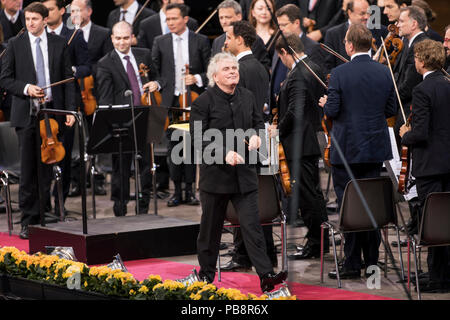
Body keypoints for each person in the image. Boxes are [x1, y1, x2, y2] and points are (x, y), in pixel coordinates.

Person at [189, 52, 287, 292]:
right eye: (227, 69)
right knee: (210, 229)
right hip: (216, 177)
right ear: (215, 76)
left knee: (252, 227)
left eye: (235, 68)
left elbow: (256, 122)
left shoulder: (247, 96)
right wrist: (224, 153)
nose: (233, 71)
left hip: (244, 175)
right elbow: (199, 138)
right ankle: (206, 276)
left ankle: (265, 276)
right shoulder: (203, 102)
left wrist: (256, 135)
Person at [319, 24, 397, 279]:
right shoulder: (385, 72)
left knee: (349, 207)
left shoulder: (339, 74)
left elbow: (332, 111)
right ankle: (372, 262)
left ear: (349, 45)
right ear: (371, 45)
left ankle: (352, 264)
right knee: (371, 206)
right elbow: (390, 110)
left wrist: (325, 103)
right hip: (374, 150)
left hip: (347, 151)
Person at [0, 1, 75, 239]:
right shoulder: (15, 44)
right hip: (27, 114)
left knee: (46, 167)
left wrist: (70, 111)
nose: (30, 23)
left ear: (45, 20)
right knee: (28, 168)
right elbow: (5, 79)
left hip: (52, 113)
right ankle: (28, 220)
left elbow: (68, 79)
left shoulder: (59, 43)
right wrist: (26, 88)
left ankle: (43, 215)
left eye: (34, 19)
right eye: (27, 19)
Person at [221, 20, 276, 271]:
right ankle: (259, 254)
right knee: (257, 199)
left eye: (228, 37)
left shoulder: (239, 68)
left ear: (240, 40)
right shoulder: (261, 67)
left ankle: (249, 256)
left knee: (245, 201)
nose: (225, 41)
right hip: (259, 138)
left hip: (243, 141)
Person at [269, 33, 329, 259]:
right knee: (312, 193)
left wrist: (278, 130)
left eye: (281, 57)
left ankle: (317, 244)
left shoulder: (299, 74)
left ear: (285, 52)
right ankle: (318, 242)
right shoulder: (313, 66)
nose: (282, 63)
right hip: (308, 140)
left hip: (300, 144)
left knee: (308, 196)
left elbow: (296, 110)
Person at [399, 39, 450, 293]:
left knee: (431, 224)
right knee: (447, 222)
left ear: (421, 61)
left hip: (430, 165)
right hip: (448, 164)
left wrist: (404, 134)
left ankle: (437, 278)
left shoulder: (421, 90)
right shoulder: (448, 83)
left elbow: (420, 133)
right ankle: (445, 275)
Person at [96, 21, 161, 216]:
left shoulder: (144, 55)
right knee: (121, 167)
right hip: (122, 121)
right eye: (118, 38)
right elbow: (105, 97)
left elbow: (159, 77)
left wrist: (155, 84)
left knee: (146, 166)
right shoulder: (105, 63)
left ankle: (143, 207)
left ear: (132, 38)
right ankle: (120, 208)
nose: (122, 42)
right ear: (112, 39)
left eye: (126, 38)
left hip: (145, 117)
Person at [151, 3, 210, 207]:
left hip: (193, 99)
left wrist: (197, 78)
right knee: (174, 146)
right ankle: (176, 191)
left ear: (185, 19)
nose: (170, 23)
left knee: (192, 145)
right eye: (168, 19)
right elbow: (156, 72)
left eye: (174, 18)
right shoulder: (160, 41)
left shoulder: (200, 40)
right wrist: (159, 84)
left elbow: (209, 69)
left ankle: (190, 190)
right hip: (173, 101)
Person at [41, 0, 92, 217]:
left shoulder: (75, 35)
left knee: (66, 153)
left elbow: (86, 66)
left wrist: (70, 70)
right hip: (43, 104)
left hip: (66, 102)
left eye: (50, 9)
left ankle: (60, 200)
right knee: (42, 155)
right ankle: (43, 203)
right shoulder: (38, 37)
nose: (46, 14)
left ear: (63, 11)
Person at [66, 0, 113, 198]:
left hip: (95, 92)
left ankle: (98, 177)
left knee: (97, 135)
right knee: (77, 138)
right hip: (73, 93)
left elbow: (107, 61)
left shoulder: (102, 33)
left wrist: (86, 72)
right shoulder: (66, 35)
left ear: (89, 11)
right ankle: (77, 180)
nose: (75, 13)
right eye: (72, 10)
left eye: (78, 10)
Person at [323, 0, 388, 73]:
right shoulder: (333, 34)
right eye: (362, 13)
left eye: (368, 13)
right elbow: (328, 67)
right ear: (350, 13)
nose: (367, 17)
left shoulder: (382, 31)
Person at [211, 0, 270, 72]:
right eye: (221, 18)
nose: (224, 21)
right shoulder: (217, 41)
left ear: (239, 17)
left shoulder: (254, 39)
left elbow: (262, 70)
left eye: (228, 17)